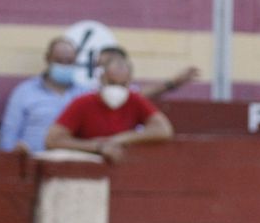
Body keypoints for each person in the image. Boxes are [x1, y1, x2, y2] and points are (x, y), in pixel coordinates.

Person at [44, 54, 174, 162]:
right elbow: (52, 140)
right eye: (112, 83)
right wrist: (96, 146)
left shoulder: (134, 100)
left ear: (130, 82)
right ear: (101, 79)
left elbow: (163, 129)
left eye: (122, 84)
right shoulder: (83, 103)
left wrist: (119, 139)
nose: (117, 88)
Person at [0, 37, 84, 152]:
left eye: (69, 62)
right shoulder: (24, 92)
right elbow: (9, 134)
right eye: (59, 61)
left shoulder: (84, 94)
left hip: (73, 164)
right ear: (47, 59)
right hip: (32, 163)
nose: (64, 66)